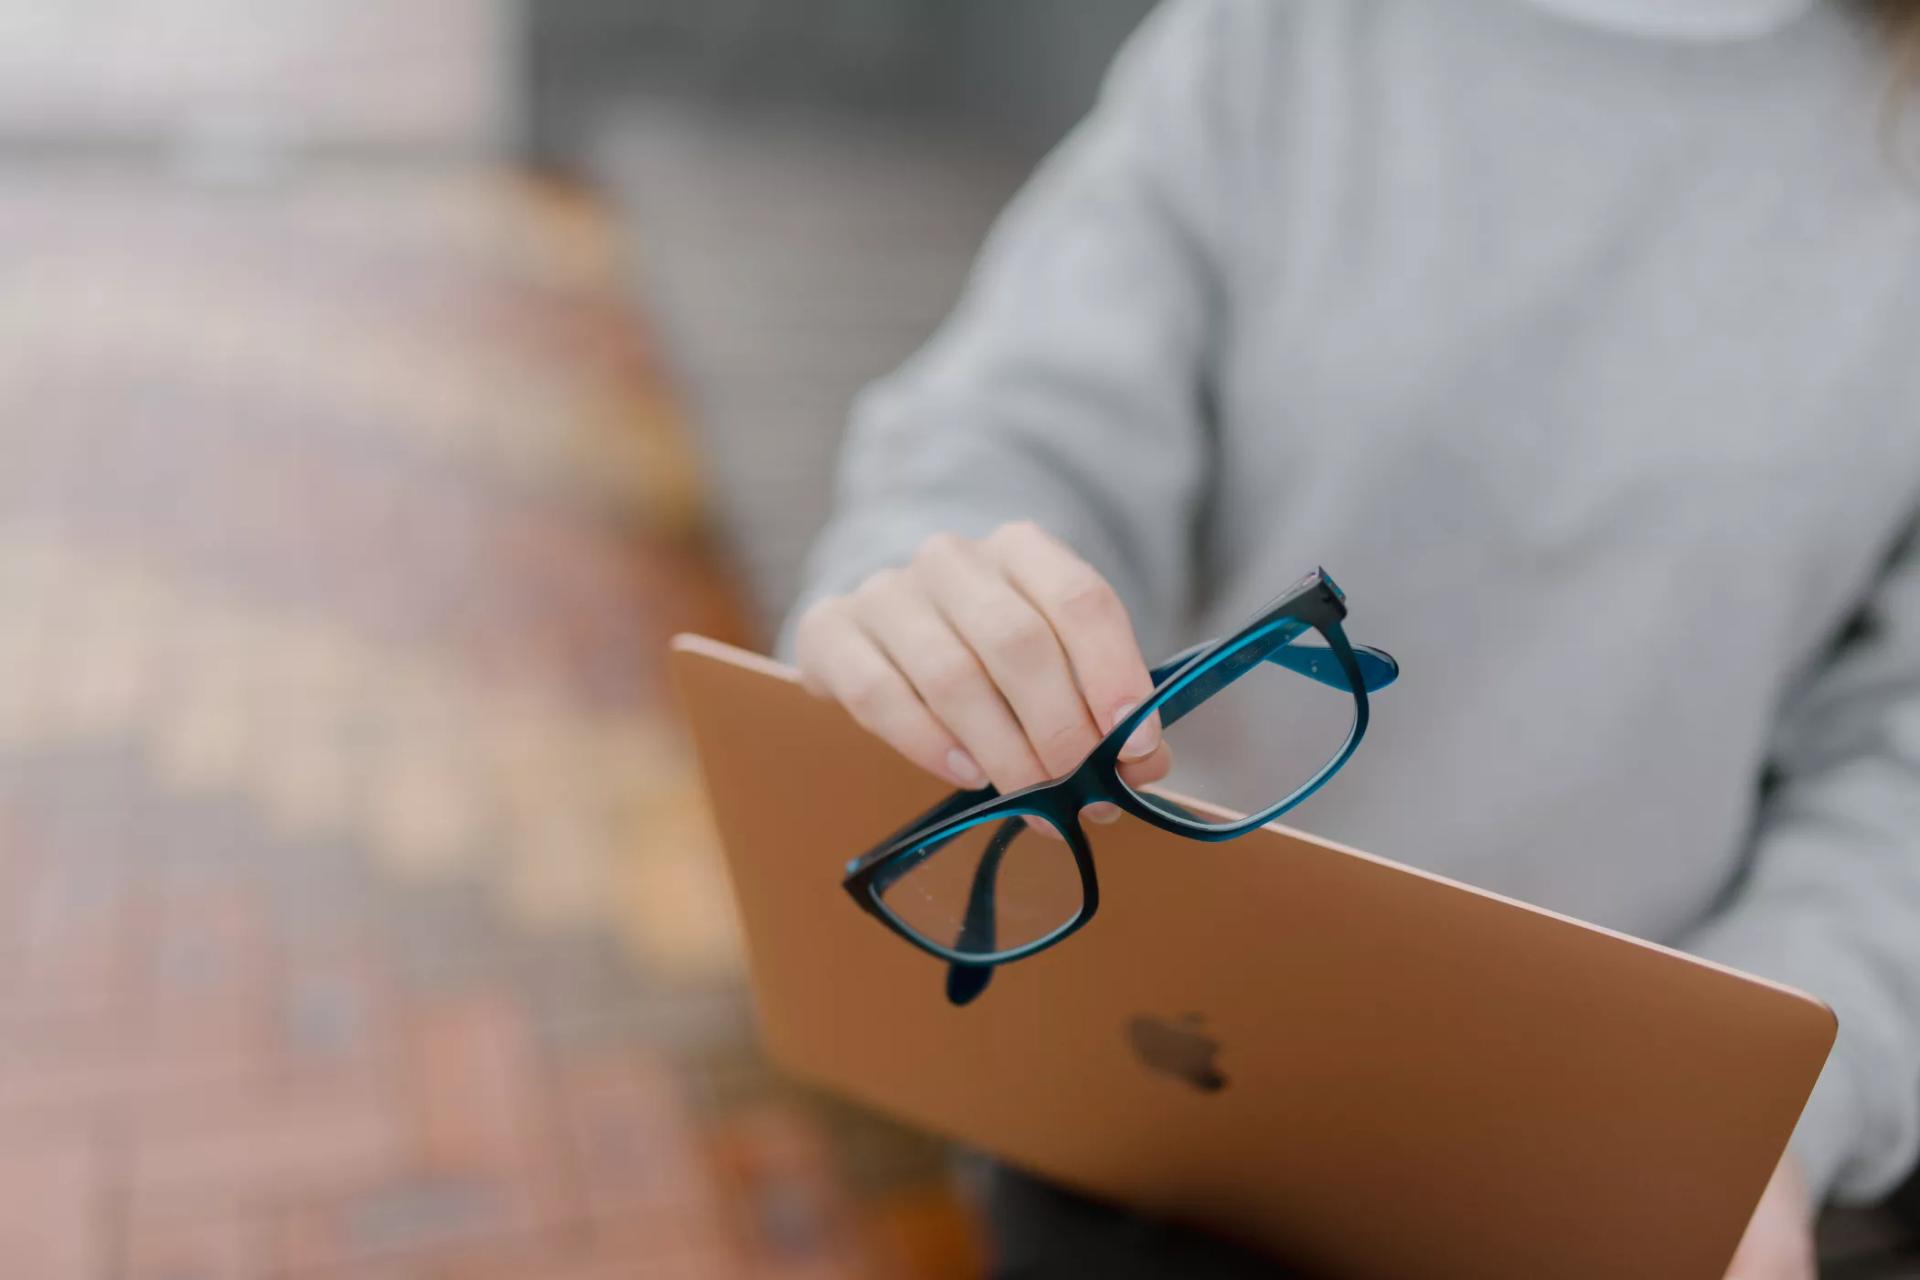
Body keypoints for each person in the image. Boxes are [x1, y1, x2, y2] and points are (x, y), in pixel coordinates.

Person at [782, 2, 1920, 1276]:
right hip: (1159, 1078)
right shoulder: (1285, 38)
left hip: (1609, 1174)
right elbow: (1009, 439)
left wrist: (1767, 1125)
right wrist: (952, 613)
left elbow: (1902, 763)